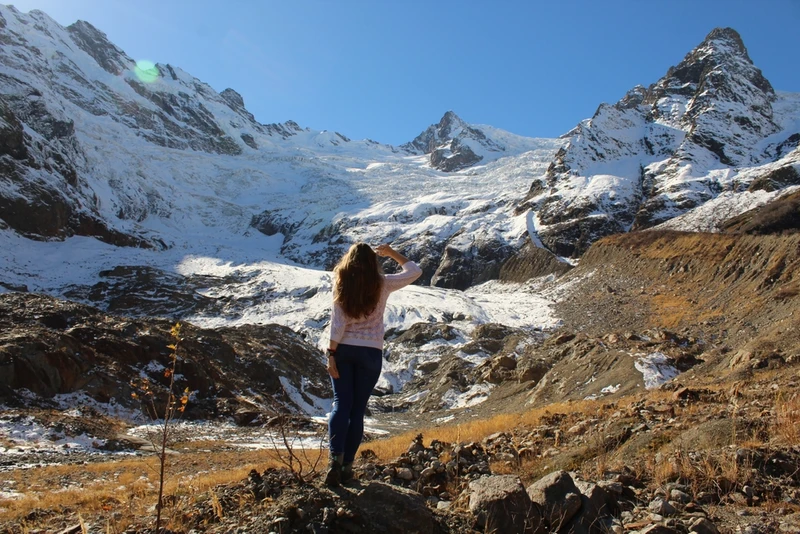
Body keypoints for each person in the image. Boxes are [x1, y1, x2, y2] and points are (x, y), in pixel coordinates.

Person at [324, 242, 422, 486]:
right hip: (370, 353)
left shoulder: (341, 280)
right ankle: (347, 468)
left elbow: (338, 322)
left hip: (344, 349)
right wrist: (391, 253)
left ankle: (335, 461)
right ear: (372, 262)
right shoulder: (382, 283)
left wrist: (331, 353)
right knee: (357, 411)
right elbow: (415, 271)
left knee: (340, 405)